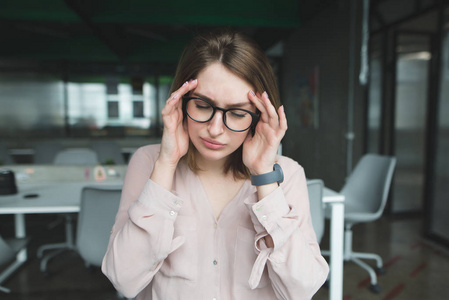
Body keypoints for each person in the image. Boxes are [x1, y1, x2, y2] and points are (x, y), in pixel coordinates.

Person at [102, 29, 329, 300]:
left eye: (236, 113)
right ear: (180, 100)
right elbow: (123, 279)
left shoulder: (287, 174)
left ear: (259, 116)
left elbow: (301, 290)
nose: (215, 129)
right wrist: (167, 163)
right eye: (202, 105)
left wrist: (263, 177)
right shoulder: (149, 162)